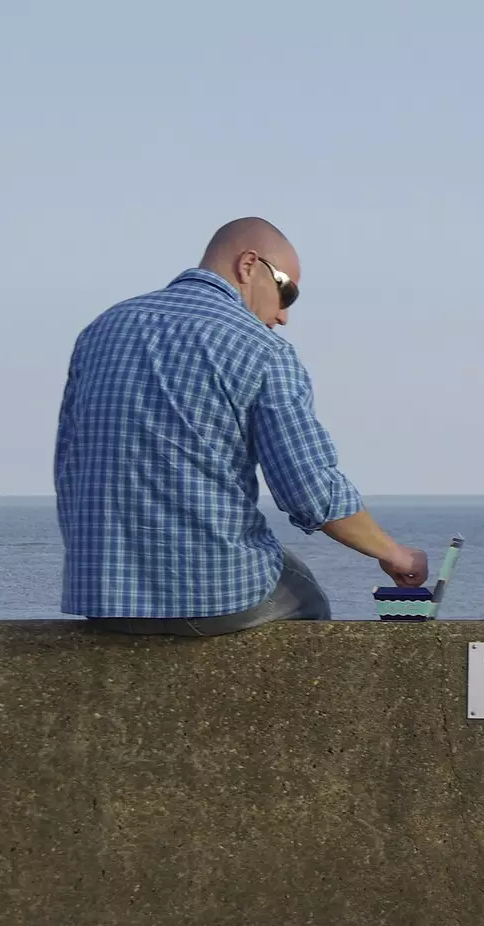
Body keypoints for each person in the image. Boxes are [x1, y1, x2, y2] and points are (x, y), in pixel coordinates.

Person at [54, 217, 427, 635]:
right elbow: (310, 491)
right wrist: (395, 554)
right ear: (249, 265)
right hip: (208, 596)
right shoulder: (261, 349)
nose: (284, 315)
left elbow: (69, 457)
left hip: (102, 596)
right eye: (287, 291)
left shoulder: (101, 330)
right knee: (307, 601)